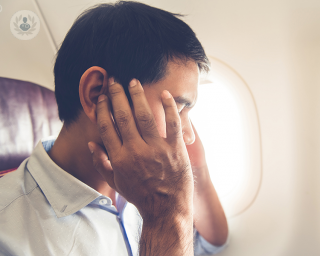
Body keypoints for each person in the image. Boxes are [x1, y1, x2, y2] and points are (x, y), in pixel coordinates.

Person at [0, 1, 228, 255]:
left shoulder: (142, 178)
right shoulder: (9, 235)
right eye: (176, 107)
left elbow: (209, 245)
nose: (187, 133)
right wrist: (164, 212)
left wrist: (199, 171)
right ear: (97, 93)